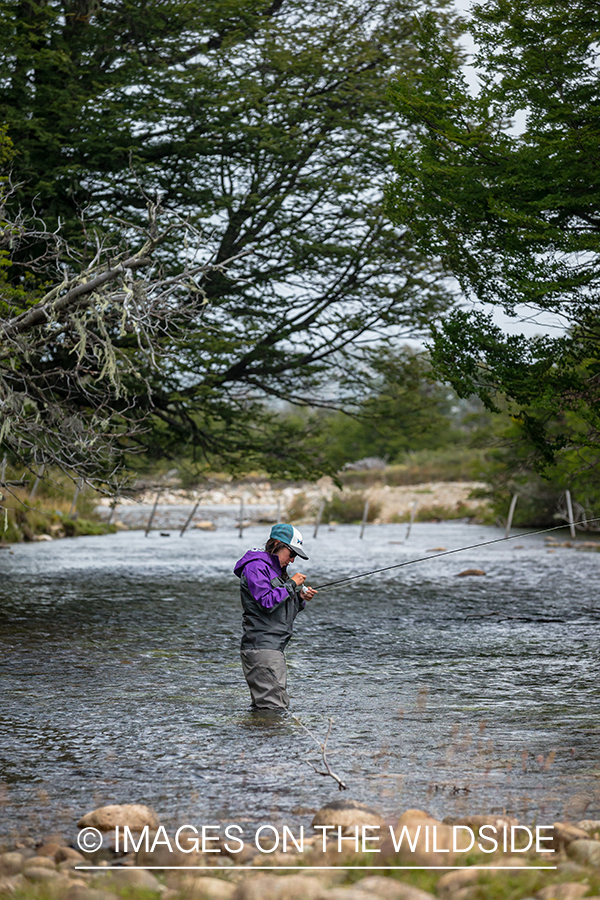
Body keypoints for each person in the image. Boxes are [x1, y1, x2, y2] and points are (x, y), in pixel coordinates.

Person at [234, 523, 317, 710]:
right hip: (262, 648)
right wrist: (292, 584)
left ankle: (262, 738)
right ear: (277, 544)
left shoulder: (274, 571)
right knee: (275, 708)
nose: (293, 560)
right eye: (292, 554)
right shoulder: (256, 567)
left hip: (271, 648)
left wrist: (299, 598)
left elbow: (278, 611)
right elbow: (266, 601)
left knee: (267, 709)